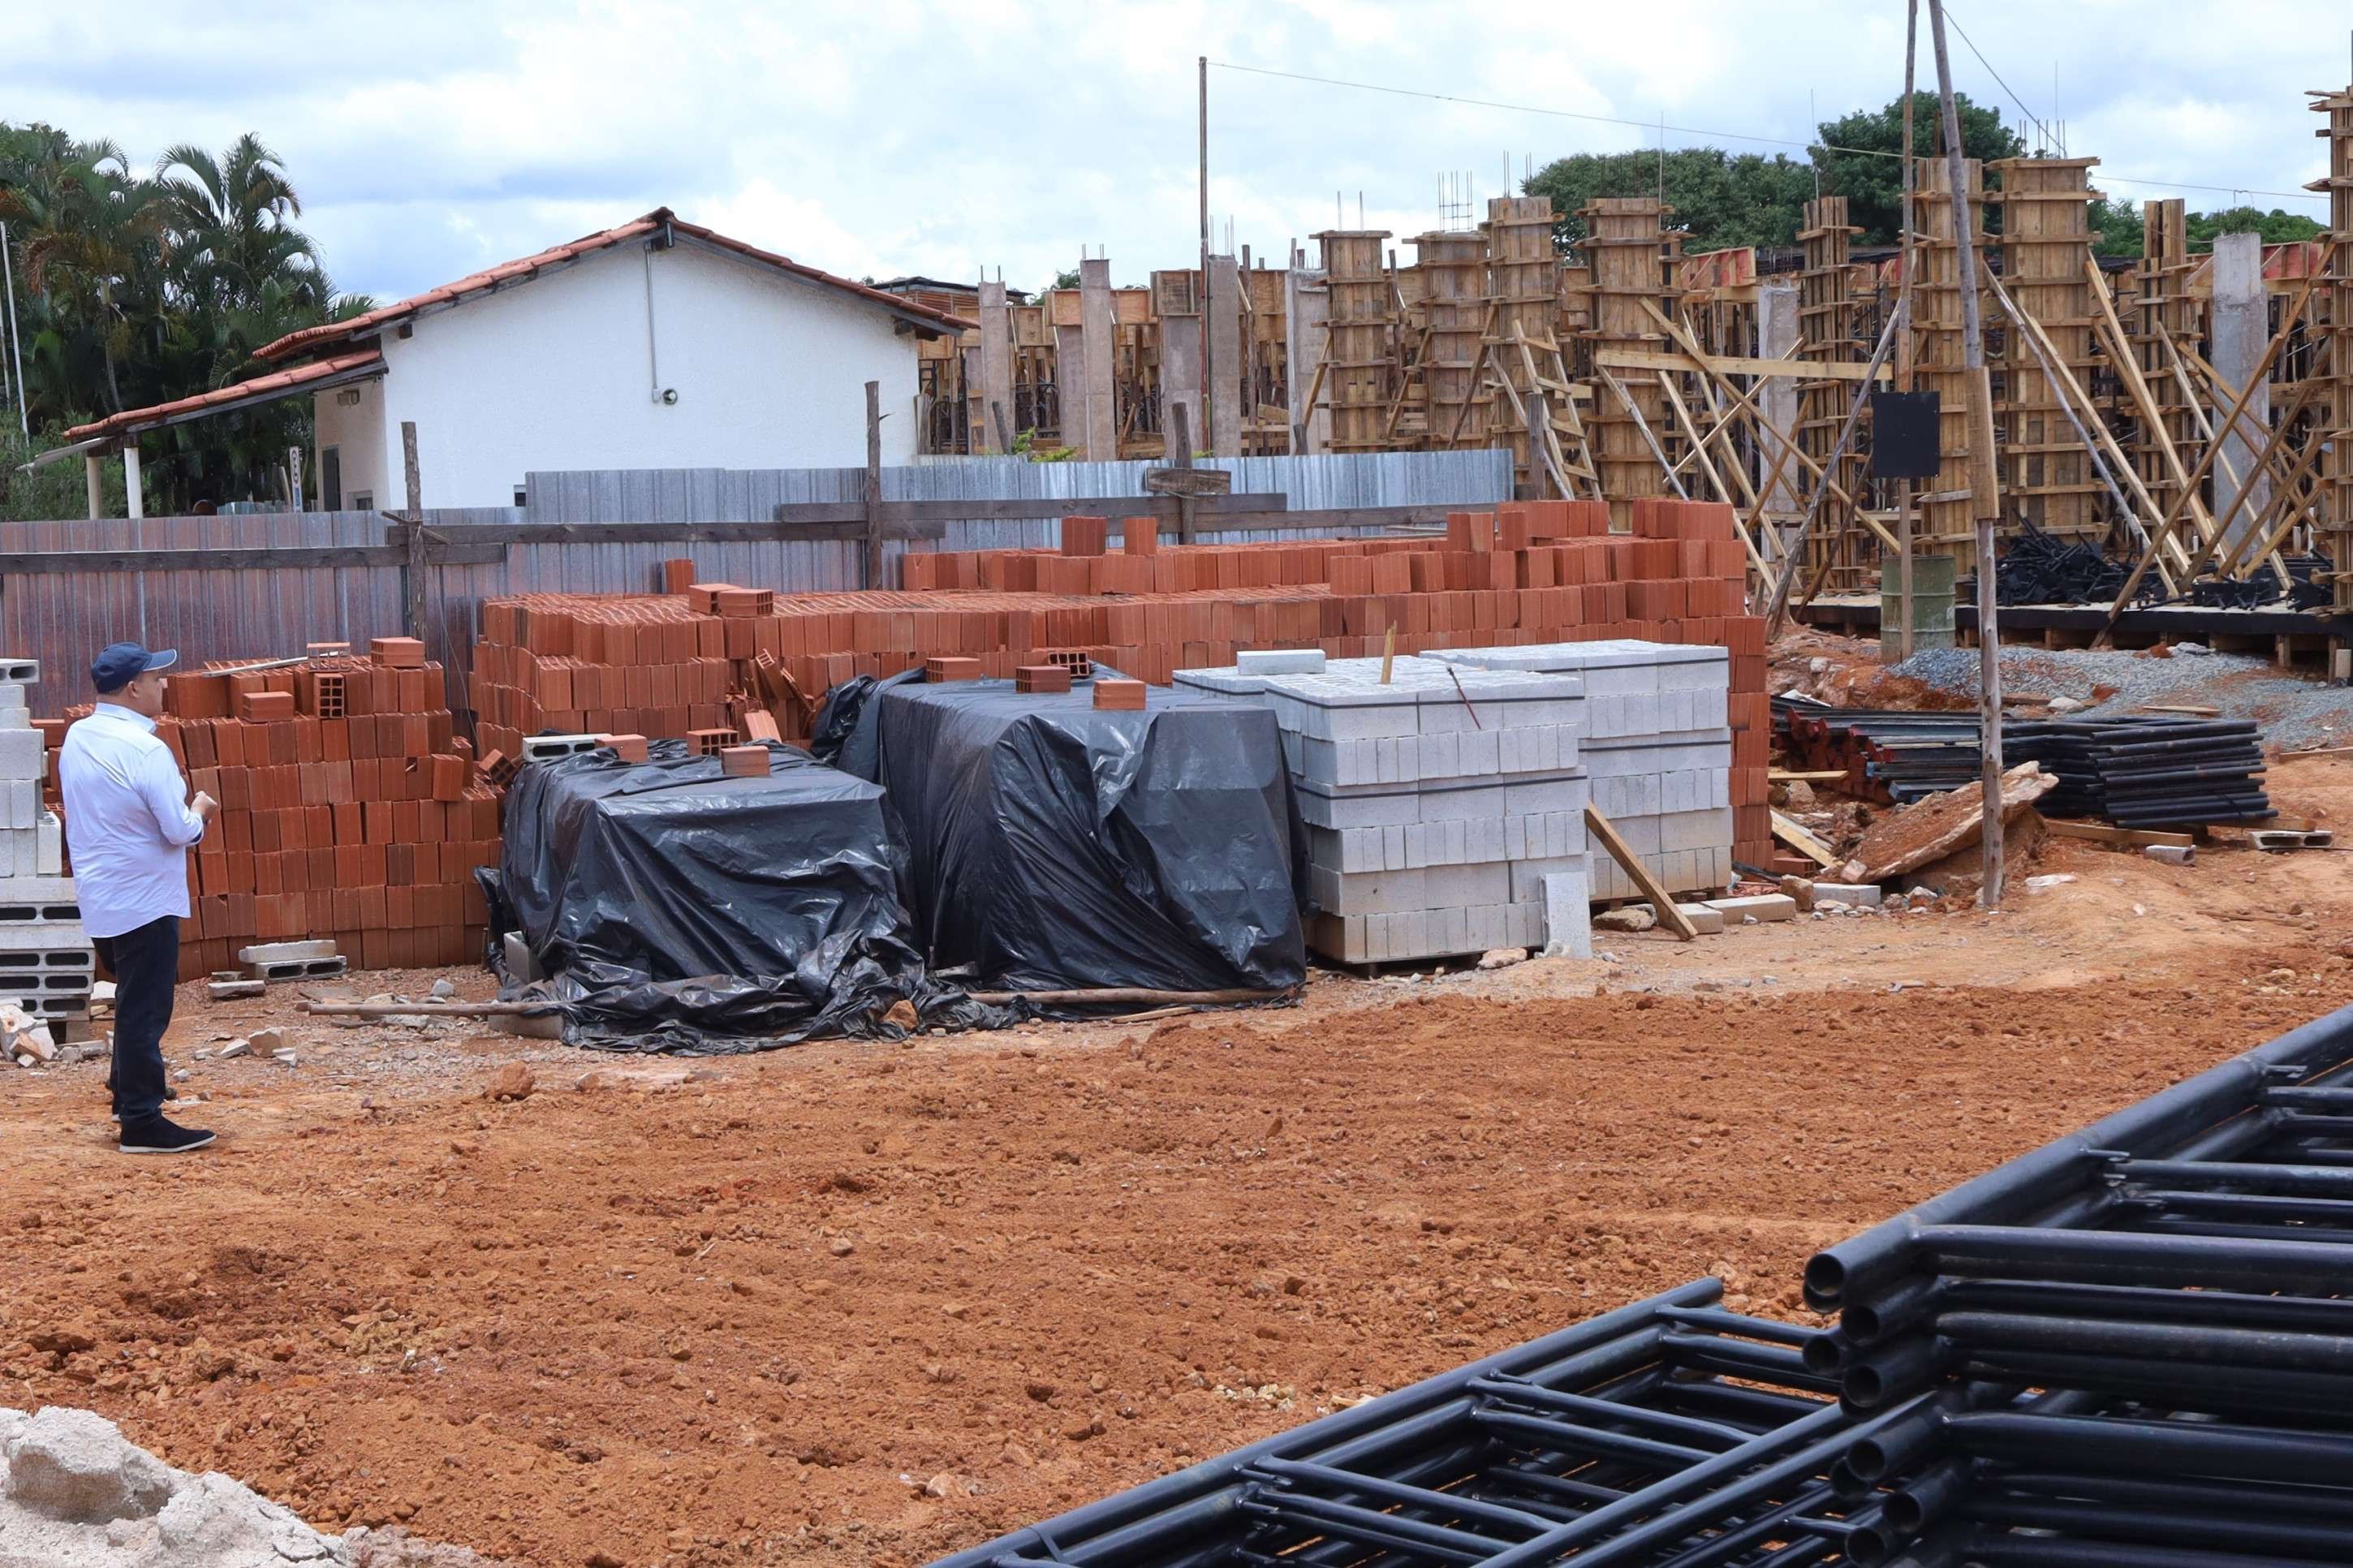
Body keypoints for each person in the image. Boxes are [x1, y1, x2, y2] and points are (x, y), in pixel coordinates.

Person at [56, 642, 218, 1154]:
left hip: (102, 897)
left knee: (131, 998)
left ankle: (126, 1090)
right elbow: (178, 831)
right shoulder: (147, 750)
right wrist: (202, 809)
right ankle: (142, 1122)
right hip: (146, 897)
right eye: (156, 678)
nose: (163, 684)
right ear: (133, 687)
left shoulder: (78, 736)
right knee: (143, 1011)